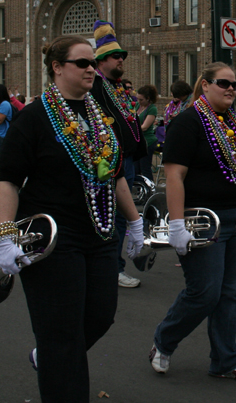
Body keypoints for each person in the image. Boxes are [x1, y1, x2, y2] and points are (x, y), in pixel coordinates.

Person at [0, 35, 143, 403]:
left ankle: (49, 356)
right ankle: (56, 362)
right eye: (83, 63)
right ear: (58, 68)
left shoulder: (100, 116)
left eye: (93, 63)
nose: (92, 69)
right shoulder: (35, 116)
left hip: (101, 234)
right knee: (62, 336)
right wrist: (4, 236)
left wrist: (135, 222)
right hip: (53, 241)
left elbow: (116, 174)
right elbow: (9, 180)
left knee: (101, 315)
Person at [151, 62, 236, 382]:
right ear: (205, 85)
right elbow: (174, 176)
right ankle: (163, 343)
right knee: (204, 292)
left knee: (229, 292)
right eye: (223, 83)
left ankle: (225, 360)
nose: (231, 89)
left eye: (234, 84)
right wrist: (177, 224)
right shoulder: (187, 122)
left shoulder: (234, 124)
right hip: (204, 220)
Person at [89, 20, 147, 289]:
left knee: (122, 215)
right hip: (110, 162)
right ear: (101, 61)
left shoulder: (118, 86)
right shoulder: (96, 87)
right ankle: (112, 268)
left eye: (122, 56)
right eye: (115, 56)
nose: (121, 60)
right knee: (114, 216)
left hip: (129, 160)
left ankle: (110, 266)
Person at [135, 84, 158, 181]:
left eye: (141, 100)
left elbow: (144, 127)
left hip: (147, 141)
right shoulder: (137, 106)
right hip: (138, 141)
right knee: (136, 169)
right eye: (138, 99)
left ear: (148, 98)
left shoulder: (152, 109)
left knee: (145, 168)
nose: (139, 102)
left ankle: (150, 189)